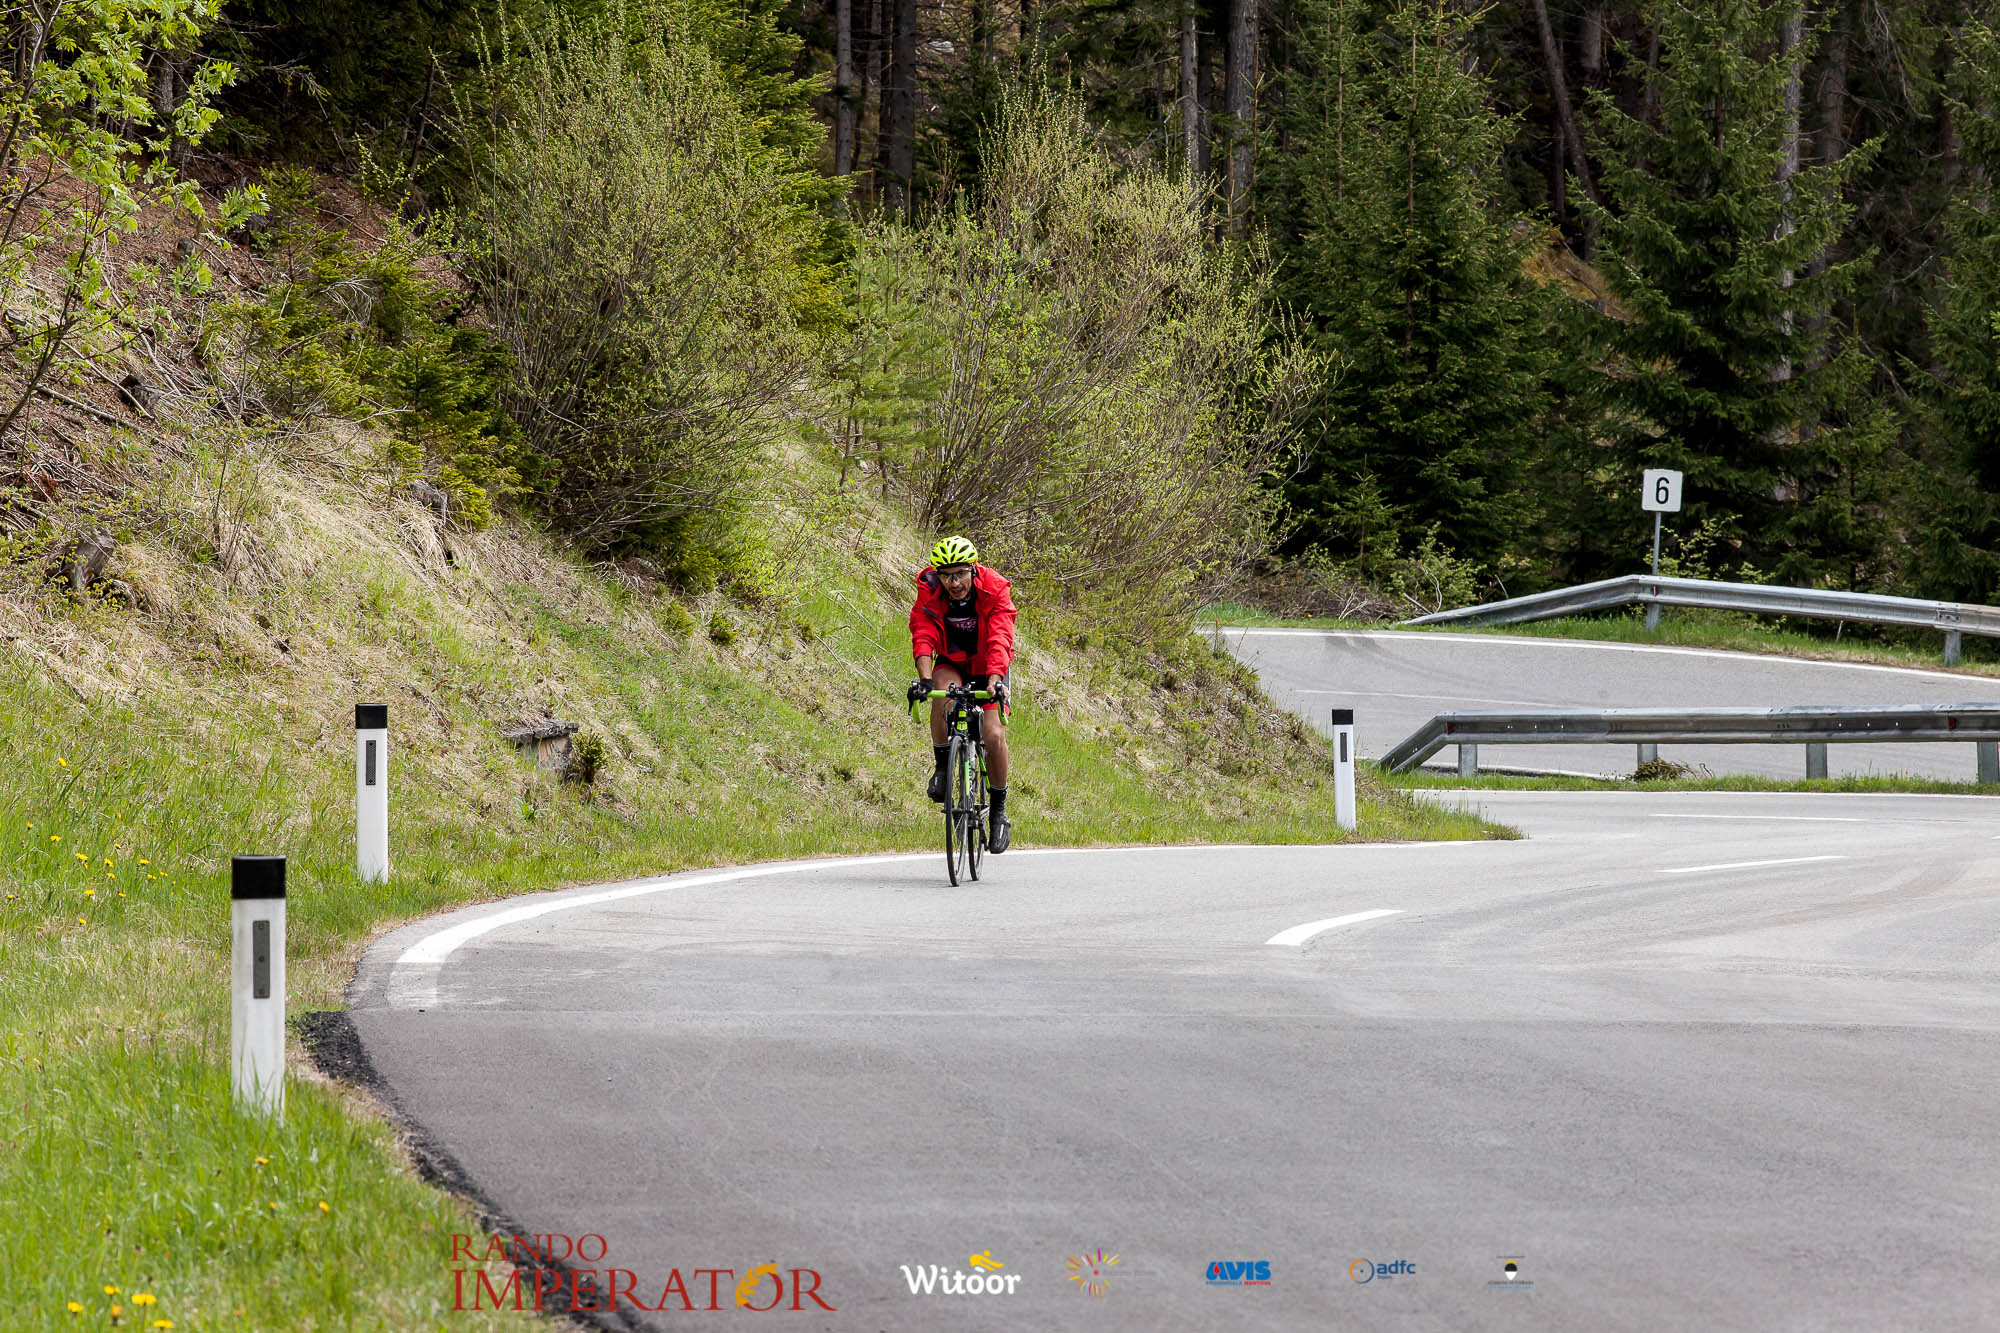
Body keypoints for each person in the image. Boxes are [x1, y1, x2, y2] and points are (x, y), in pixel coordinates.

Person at [905, 536, 1016, 853]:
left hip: (989, 665)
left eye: (960, 574)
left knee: (993, 734)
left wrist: (995, 680)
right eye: (946, 576)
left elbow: (1000, 637)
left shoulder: (994, 587)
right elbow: (923, 631)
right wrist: (925, 679)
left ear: (973, 569)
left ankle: (998, 810)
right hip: (952, 661)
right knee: (940, 696)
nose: (954, 583)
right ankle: (943, 767)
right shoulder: (930, 588)